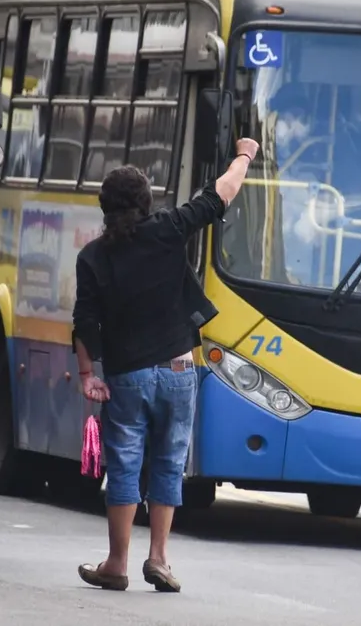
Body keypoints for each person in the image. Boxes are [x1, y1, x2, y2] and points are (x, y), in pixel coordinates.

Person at [72, 137, 260, 593]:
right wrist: (245, 155)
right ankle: (159, 558)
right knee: (169, 464)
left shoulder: (93, 257)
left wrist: (87, 375)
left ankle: (117, 563)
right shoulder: (168, 229)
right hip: (178, 370)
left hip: (127, 376)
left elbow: (85, 321)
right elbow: (222, 194)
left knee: (124, 466)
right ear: (146, 202)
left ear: (104, 207)